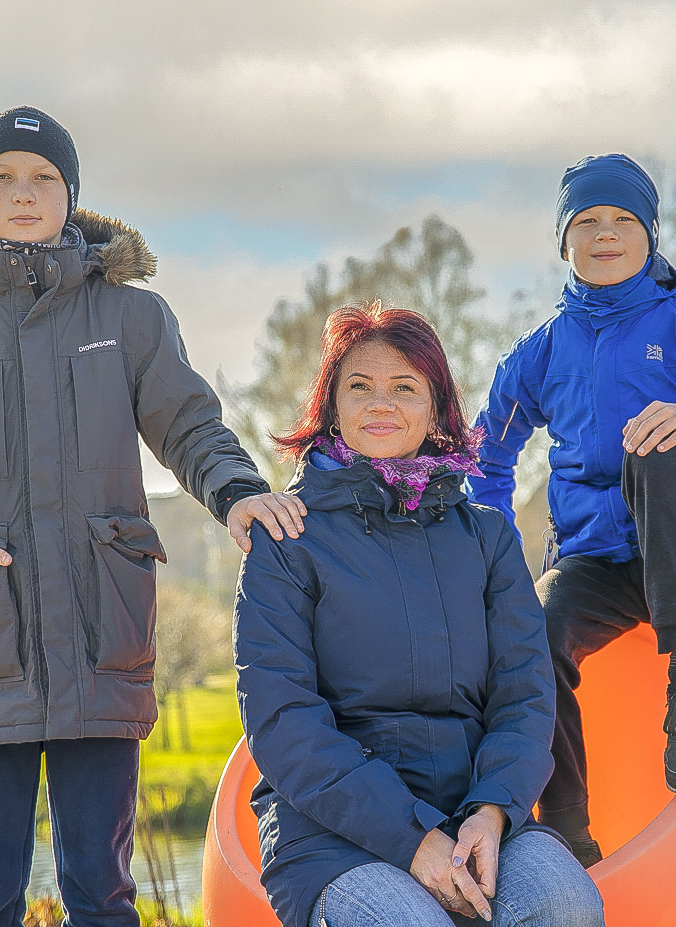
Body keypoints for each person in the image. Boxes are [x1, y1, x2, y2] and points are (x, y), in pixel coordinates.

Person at [0, 105, 305, 927]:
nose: (23, 194)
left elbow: (190, 427)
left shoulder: (132, 317)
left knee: (102, 892)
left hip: (103, 632)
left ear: (72, 193)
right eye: (3, 178)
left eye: (42, 178)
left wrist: (237, 492)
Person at [234, 302, 605, 927]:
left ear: (436, 410)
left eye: (404, 388)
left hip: (477, 818)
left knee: (563, 903)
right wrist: (413, 839)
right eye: (360, 387)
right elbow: (284, 723)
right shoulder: (286, 540)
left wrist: (492, 811)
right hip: (333, 837)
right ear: (332, 406)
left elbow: (525, 696)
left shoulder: (487, 539)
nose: (382, 404)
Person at [467, 153, 676, 868]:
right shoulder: (541, 351)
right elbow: (487, 458)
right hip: (594, 565)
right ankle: (565, 842)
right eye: (586, 222)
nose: (605, 234)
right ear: (564, 241)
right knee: (531, 632)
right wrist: (496, 562)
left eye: (622, 220)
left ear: (650, 233)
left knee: (658, 439)